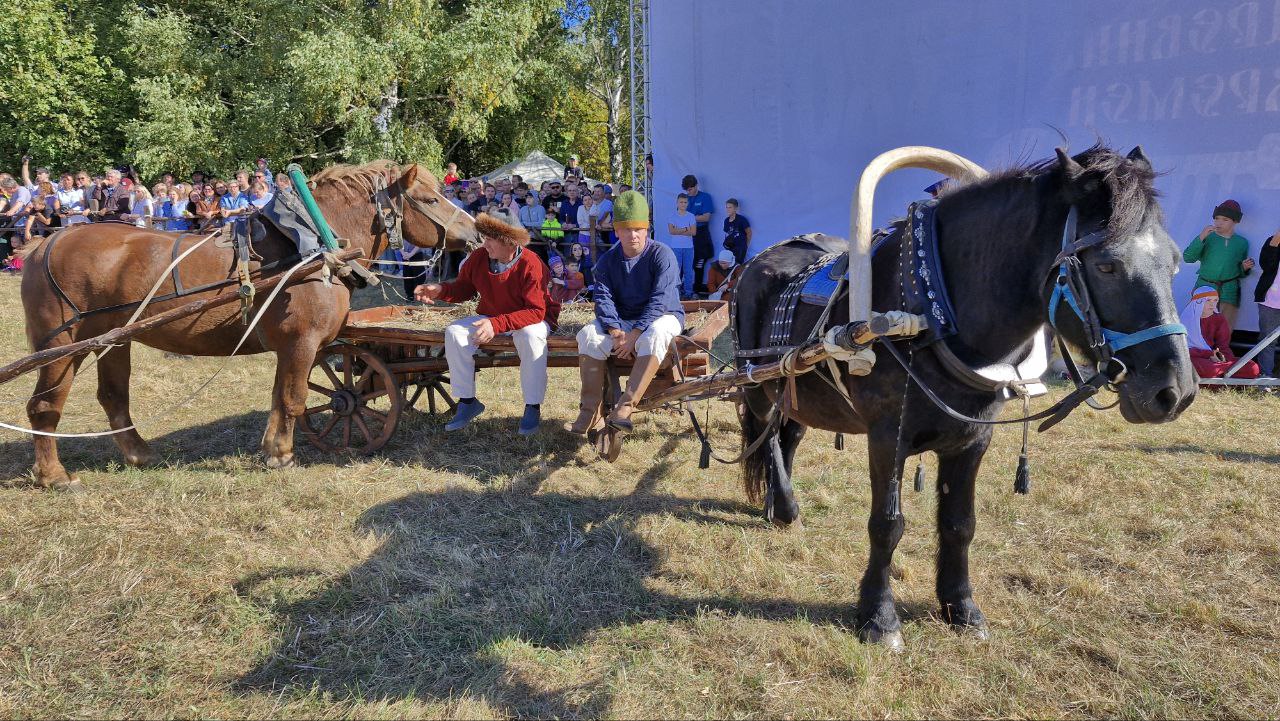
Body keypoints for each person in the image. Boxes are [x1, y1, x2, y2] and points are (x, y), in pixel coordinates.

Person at [413, 212, 554, 435]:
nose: (484, 243)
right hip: (495, 316)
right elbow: (465, 288)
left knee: (530, 337)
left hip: (533, 319)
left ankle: (532, 406)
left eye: (490, 238)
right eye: (484, 237)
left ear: (509, 240)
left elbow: (536, 311)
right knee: (455, 333)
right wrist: (440, 290)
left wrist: (496, 325)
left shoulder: (531, 263)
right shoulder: (479, 258)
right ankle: (467, 402)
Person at [569, 191, 684, 436]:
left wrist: (634, 333)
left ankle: (625, 407)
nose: (632, 235)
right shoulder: (608, 261)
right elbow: (603, 298)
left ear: (646, 230)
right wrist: (615, 330)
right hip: (622, 322)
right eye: (626, 229)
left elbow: (661, 300)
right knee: (587, 335)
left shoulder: (662, 255)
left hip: (662, 316)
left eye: (638, 229)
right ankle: (589, 410)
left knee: (656, 334)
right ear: (617, 231)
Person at [1183, 199, 1253, 329]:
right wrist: (1201, 237)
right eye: (1217, 218)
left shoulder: (1242, 243)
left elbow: (1239, 273)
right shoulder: (1208, 237)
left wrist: (1244, 268)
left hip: (1229, 291)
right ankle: (1197, 349)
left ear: (1235, 221)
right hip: (1205, 286)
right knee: (1198, 326)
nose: (1219, 222)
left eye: (1225, 219)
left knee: (1225, 327)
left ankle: (1220, 350)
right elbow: (1188, 258)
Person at [1181, 285, 1260, 380]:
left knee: (1252, 367)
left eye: (1215, 300)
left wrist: (1223, 358)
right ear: (1198, 301)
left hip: (1217, 360)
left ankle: (1221, 373)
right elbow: (1184, 349)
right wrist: (1209, 355)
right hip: (1196, 358)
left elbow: (1223, 345)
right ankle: (1224, 375)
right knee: (1209, 368)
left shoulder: (1219, 319)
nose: (1212, 304)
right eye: (1208, 300)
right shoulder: (1187, 320)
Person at [1252, 227, 1280, 376]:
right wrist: (1274, 244)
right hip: (1271, 301)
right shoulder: (1273, 240)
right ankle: (1265, 377)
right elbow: (1266, 266)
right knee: (1267, 340)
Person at [682, 174, 715, 293]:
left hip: (701, 234)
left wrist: (690, 218)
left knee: (699, 262)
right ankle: (685, 288)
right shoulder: (685, 199)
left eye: (690, 189)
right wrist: (695, 217)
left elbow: (706, 217)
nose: (688, 192)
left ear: (696, 185)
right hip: (687, 234)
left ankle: (697, 288)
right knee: (686, 262)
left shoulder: (705, 197)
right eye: (687, 190)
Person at [663, 193, 698, 299]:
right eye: (681, 202)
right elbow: (672, 231)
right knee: (676, 270)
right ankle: (676, 292)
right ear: (677, 203)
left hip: (688, 247)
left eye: (685, 202)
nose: (683, 204)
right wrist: (686, 229)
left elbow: (693, 232)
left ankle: (688, 292)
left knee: (688, 271)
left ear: (688, 203)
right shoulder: (672, 216)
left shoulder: (691, 216)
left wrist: (679, 230)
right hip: (676, 247)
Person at [722, 197, 752, 264]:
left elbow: (749, 233)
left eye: (730, 207)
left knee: (737, 266)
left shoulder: (742, 220)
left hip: (740, 249)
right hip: (730, 248)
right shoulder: (726, 220)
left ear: (735, 208)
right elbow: (727, 234)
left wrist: (745, 246)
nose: (728, 209)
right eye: (727, 207)